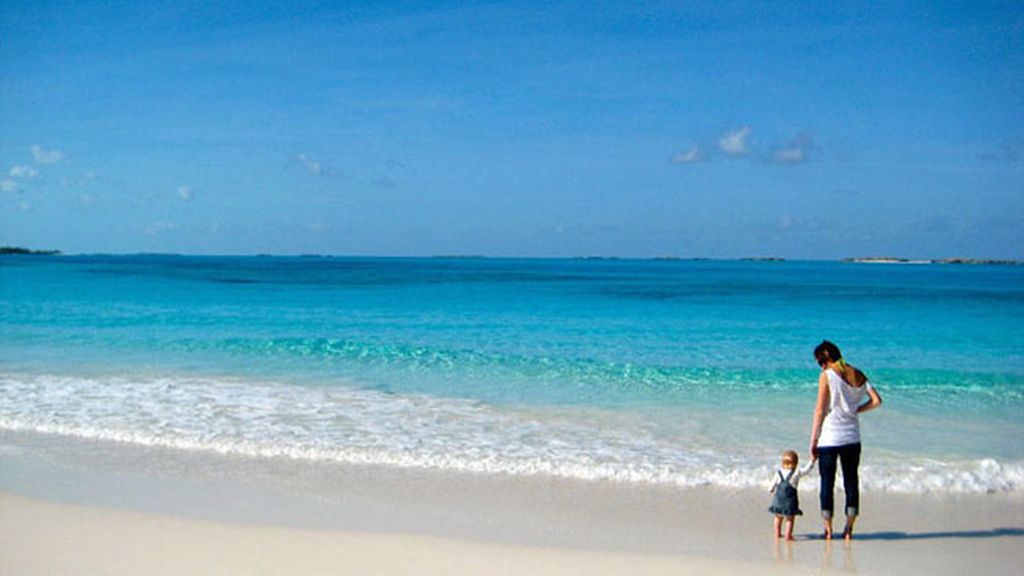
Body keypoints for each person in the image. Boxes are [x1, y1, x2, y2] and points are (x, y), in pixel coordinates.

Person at [809, 340, 883, 540]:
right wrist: (858, 410)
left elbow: (820, 410)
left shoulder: (826, 376)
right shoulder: (858, 374)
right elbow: (877, 401)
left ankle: (828, 529)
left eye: (820, 362)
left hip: (829, 438)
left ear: (825, 359)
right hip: (852, 437)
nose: (821, 366)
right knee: (851, 482)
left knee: (827, 483)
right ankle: (849, 529)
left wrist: (813, 439)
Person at [768, 449, 817, 540]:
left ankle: (777, 533)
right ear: (796, 463)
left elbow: (772, 484)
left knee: (778, 517)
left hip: (778, 499)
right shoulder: (796, 473)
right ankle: (788, 535)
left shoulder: (778, 473)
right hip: (789, 501)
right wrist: (812, 461)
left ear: (783, 463)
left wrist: (771, 489)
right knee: (790, 519)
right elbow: (806, 470)